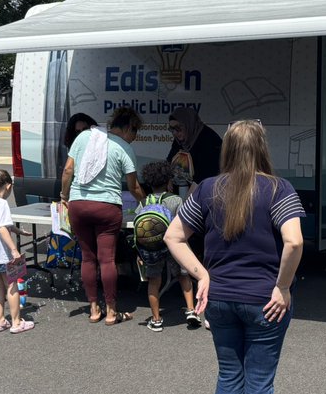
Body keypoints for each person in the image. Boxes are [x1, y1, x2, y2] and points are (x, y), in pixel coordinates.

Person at [164, 120, 304, 394]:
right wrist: (284, 287)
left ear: (226, 149)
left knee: (229, 375)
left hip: (220, 299)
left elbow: (173, 235)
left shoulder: (209, 189)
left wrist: (202, 275)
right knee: (258, 381)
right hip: (265, 300)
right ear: (262, 148)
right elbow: (294, 241)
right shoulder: (278, 189)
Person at [60, 106, 145, 325]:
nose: (134, 138)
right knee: (107, 259)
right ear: (128, 128)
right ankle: (111, 311)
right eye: (135, 133)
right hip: (107, 207)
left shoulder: (85, 136)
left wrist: (65, 196)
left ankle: (94, 309)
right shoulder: (124, 148)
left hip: (79, 205)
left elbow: (68, 170)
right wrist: (146, 204)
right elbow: (134, 186)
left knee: (88, 258)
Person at [134, 160, 198, 332]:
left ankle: (156, 319)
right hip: (173, 246)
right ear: (169, 181)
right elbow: (184, 223)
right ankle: (191, 311)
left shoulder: (143, 202)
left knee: (154, 281)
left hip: (153, 247)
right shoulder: (176, 200)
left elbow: (138, 225)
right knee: (183, 276)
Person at [0, 167, 34, 334]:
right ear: (8, 186)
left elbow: (0, 225)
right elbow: (2, 228)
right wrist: (14, 250)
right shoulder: (2, 204)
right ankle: (16, 322)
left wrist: (19, 231)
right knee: (12, 284)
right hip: (0, 253)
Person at [166, 108, 223, 192]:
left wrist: (188, 202)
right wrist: (169, 178)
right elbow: (170, 160)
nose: (174, 133)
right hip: (186, 189)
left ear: (188, 124)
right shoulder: (182, 139)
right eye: (172, 129)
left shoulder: (209, 140)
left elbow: (203, 177)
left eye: (177, 128)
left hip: (208, 190)